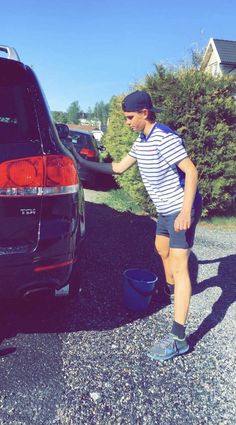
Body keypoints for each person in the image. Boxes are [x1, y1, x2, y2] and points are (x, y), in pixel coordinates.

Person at [72, 90, 202, 362]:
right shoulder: (141, 142)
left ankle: (179, 338)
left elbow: (191, 171)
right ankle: (171, 294)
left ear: (145, 113)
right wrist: (82, 162)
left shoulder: (164, 138)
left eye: (130, 117)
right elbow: (119, 168)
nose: (127, 122)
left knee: (180, 268)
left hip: (180, 209)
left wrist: (186, 212)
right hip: (165, 211)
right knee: (161, 250)